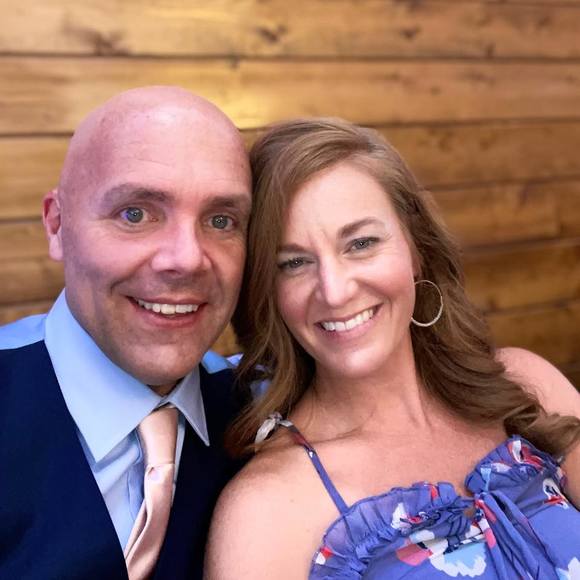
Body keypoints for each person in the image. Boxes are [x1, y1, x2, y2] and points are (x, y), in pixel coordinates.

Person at [206, 118, 580, 579]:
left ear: (415, 248)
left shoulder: (526, 387)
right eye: (295, 263)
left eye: (361, 243)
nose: (335, 290)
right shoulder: (267, 510)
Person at [0, 86, 252, 580]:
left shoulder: (258, 419)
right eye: (135, 213)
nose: (186, 259)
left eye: (221, 220)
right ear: (57, 225)